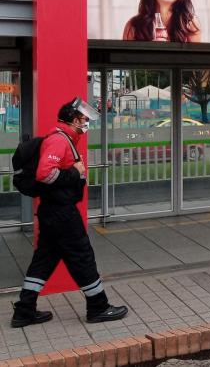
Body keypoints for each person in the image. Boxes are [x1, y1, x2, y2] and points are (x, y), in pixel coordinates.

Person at [12, 98, 128, 328]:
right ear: (74, 120)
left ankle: (24, 311)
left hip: (53, 212)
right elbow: (45, 174)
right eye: (85, 120)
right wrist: (75, 174)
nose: (87, 124)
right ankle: (98, 307)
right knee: (82, 256)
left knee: (44, 261)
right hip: (61, 213)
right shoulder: (59, 141)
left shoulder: (65, 138)